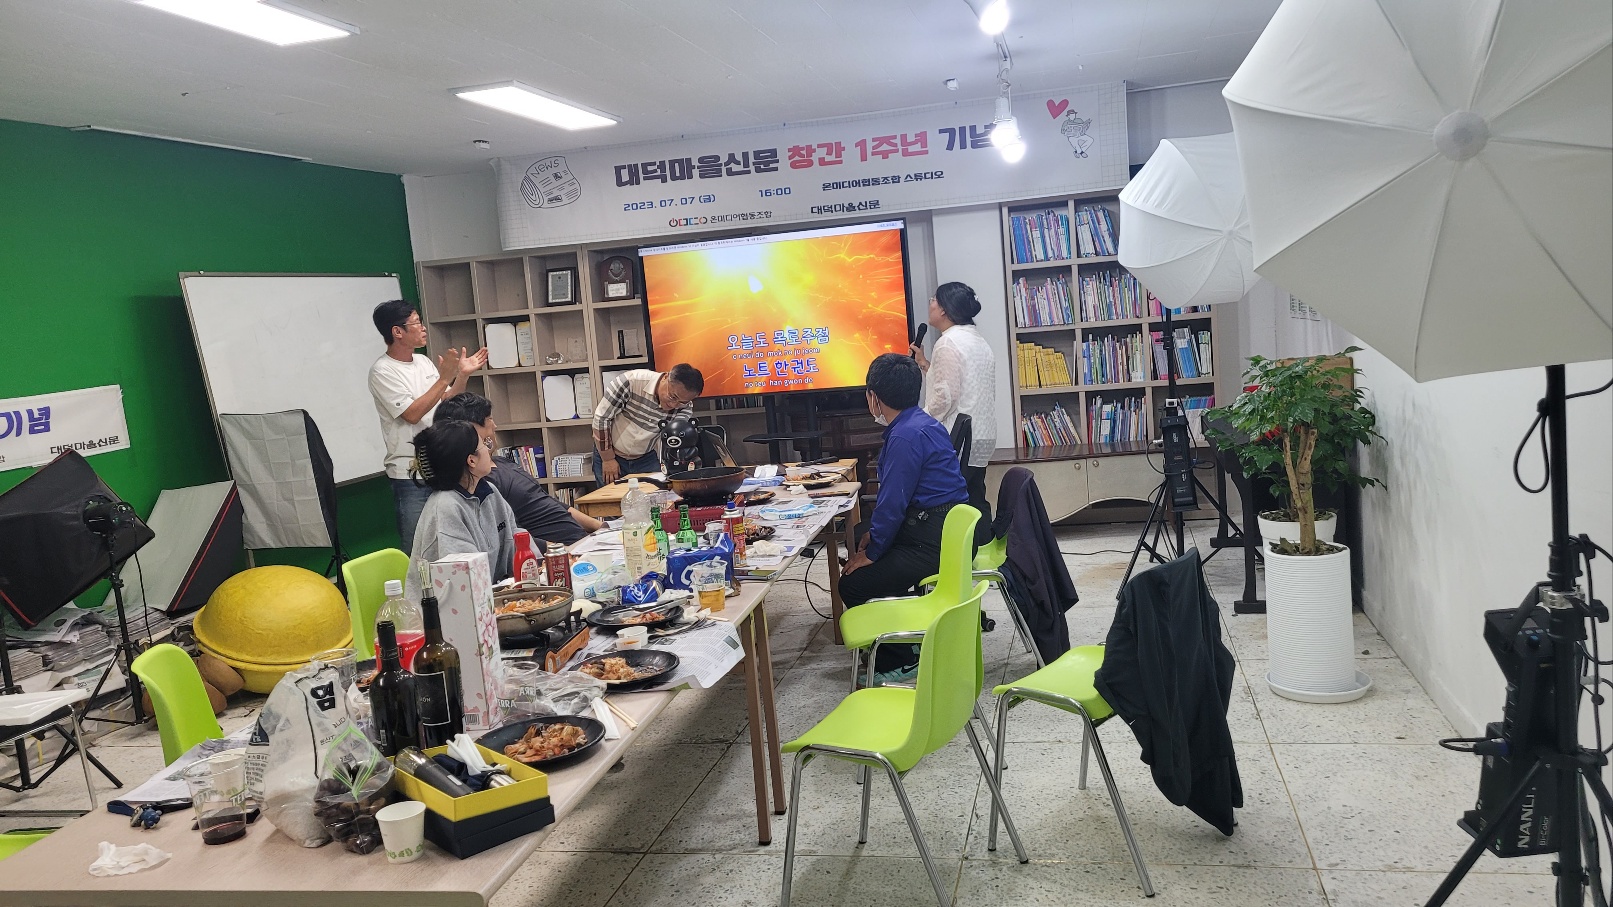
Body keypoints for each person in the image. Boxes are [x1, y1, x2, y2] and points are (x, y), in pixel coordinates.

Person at [841, 354, 970, 681]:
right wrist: (874, 538)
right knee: (865, 536)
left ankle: (899, 661)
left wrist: (872, 553)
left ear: (874, 397)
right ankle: (899, 635)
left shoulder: (904, 437)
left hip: (930, 541)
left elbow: (893, 503)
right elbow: (894, 504)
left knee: (853, 584)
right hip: (942, 530)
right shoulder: (922, 423)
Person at [368, 300, 486, 552]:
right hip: (410, 473)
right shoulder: (382, 371)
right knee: (418, 548)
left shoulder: (422, 362)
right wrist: (444, 378)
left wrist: (462, 375)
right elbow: (412, 414)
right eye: (416, 323)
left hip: (441, 464)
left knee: (451, 540)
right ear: (397, 332)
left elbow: (446, 403)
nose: (423, 328)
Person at [435, 392, 604, 545]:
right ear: (472, 428)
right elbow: (512, 537)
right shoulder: (483, 482)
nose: (495, 426)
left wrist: (601, 527)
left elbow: (549, 502)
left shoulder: (500, 462)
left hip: (582, 543)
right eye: (489, 419)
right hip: (560, 553)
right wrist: (559, 552)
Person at [910, 281, 997, 538]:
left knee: (956, 503)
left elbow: (945, 397)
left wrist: (918, 422)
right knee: (975, 495)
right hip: (981, 434)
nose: (930, 304)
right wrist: (925, 364)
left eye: (934, 300)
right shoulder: (976, 339)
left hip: (958, 436)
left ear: (944, 309)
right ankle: (985, 547)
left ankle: (965, 551)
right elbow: (960, 382)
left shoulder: (947, 343)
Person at [403, 420, 515, 601]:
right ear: (471, 460)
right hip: (448, 611)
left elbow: (516, 539)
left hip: (489, 599)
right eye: (484, 444)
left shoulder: (489, 492)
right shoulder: (446, 507)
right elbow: (465, 578)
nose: (489, 450)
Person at [590, 364, 704, 485]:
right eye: (672, 397)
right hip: (610, 453)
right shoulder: (630, 382)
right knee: (609, 495)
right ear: (666, 377)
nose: (674, 405)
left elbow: (673, 439)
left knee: (656, 493)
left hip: (646, 458)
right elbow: (602, 418)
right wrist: (608, 459)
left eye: (682, 402)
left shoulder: (685, 408)